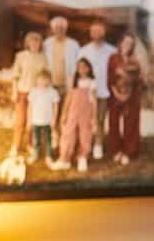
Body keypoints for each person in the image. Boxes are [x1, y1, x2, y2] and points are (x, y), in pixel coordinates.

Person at [105, 32, 146, 165]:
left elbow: (139, 80)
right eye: (125, 42)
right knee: (114, 123)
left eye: (130, 43)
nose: (127, 45)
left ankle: (129, 151)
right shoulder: (113, 58)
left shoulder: (135, 60)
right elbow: (110, 78)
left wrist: (130, 92)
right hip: (115, 94)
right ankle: (116, 150)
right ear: (121, 42)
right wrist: (117, 94)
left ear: (132, 46)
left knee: (131, 124)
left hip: (132, 96)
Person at [80, 19, 117, 159]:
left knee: (100, 119)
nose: (95, 33)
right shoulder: (84, 50)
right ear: (90, 33)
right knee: (87, 119)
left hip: (104, 92)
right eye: (93, 31)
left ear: (104, 32)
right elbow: (79, 71)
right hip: (86, 91)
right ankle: (86, 144)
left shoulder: (112, 51)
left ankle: (98, 145)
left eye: (98, 30)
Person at [9, 30, 47, 162]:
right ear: (27, 43)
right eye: (32, 41)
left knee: (32, 122)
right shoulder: (20, 56)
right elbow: (15, 76)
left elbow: (46, 76)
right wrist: (14, 92)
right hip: (23, 92)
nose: (35, 43)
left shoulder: (43, 57)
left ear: (40, 43)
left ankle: (30, 144)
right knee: (20, 121)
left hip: (36, 95)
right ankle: (15, 146)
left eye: (37, 41)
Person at [58, 57, 99, 173]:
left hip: (86, 112)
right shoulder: (73, 81)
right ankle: (65, 158)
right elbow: (68, 98)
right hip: (73, 111)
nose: (82, 69)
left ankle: (82, 157)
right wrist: (64, 113)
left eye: (85, 67)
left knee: (85, 134)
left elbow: (94, 101)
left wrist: (94, 117)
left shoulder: (92, 82)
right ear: (77, 69)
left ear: (89, 68)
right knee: (68, 133)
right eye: (79, 67)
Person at [26, 68, 61, 169]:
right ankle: (35, 154)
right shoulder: (33, 91)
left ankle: (49, 156)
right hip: (36, 120)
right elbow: (30, 106)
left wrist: (54, 119)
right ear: (37, 80)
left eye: (46, 80)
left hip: (48, 121)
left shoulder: (52, 92)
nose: (43, 82)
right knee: (36, 139)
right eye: (40, 80)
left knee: (49, 139)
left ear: (50, 80)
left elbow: (56, 106)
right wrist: (29, 119)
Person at [41, 15, 79, 91]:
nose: (59, 30)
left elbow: (78, 63)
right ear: (52, 29)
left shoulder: (74, 44)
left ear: (66, 29)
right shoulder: (46, 43)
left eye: (62, 28)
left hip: (68, 83)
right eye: (56, 28)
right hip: (49, 83)